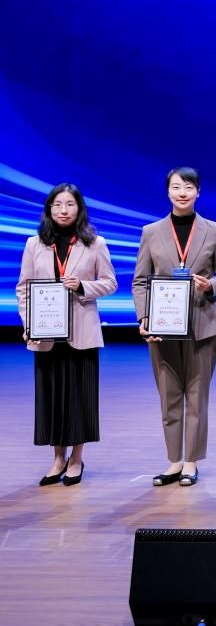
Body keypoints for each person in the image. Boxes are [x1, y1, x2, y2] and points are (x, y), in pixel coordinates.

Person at [133, 167, 216, 487]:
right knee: (169, 396)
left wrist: (210, 285)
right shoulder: (151, 232)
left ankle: (191, 462)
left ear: (198, 192)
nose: (182, 193)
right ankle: (174, 460)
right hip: (162, 326)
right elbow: (140, 281)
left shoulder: (214, 230)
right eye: (176, 187)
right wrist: (144, 318)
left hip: (203, 324)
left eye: (189, 187)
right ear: (168, 192)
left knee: (197, 397)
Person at [17, 183, 117, 487]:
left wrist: (83, 286)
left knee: (79, 399)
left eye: (70, 204)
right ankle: (58, 458)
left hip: (81, 332)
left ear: (79, 208)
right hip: (46, 333)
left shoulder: (95, 243)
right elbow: (24, 288)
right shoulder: (34, 243)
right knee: (51, 398)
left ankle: (76, 459)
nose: (63, 210)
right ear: (49, 209)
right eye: (57, 205)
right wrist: (29, 323)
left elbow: (110, 283)